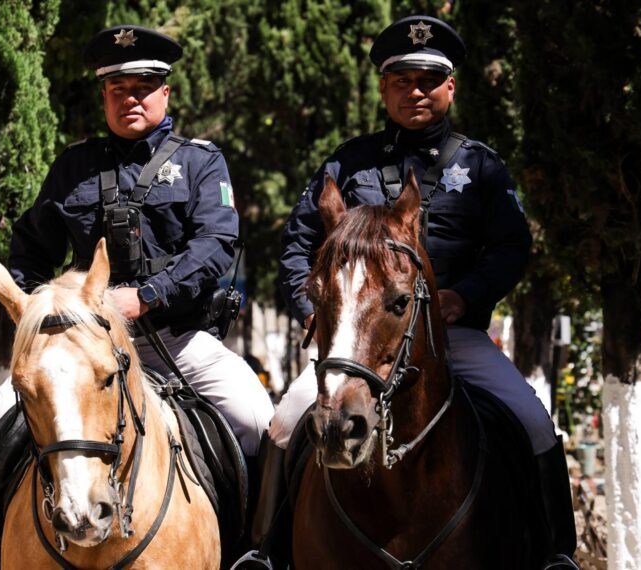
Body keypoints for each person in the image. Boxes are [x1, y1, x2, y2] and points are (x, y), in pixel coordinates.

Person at [238, 15, 578, 570]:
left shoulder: (481, 165)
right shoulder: (345, 163)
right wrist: (315, 312)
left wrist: (463, 297)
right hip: (360, 341)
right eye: (401, 80)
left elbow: (512, 248)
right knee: (285, 420)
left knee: (534, 422)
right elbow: (299, 245)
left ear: (449, 86)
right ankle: (264, 553)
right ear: (383, 88)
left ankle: (553, 555)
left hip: (453, 338)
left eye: (426, 80)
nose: (414, 91)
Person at [0, 23, 274, 564]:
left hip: (176, 340)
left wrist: (149, 296)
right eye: (118, 90)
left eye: (141, 88)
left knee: (256, 418)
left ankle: (251, 553)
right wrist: (37, 313)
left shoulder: (203, 162)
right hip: (84, 349)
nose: (129, 99)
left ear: (165, 92)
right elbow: (29, 248)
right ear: (105, 95)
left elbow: (216, 244)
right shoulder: (74, 168)